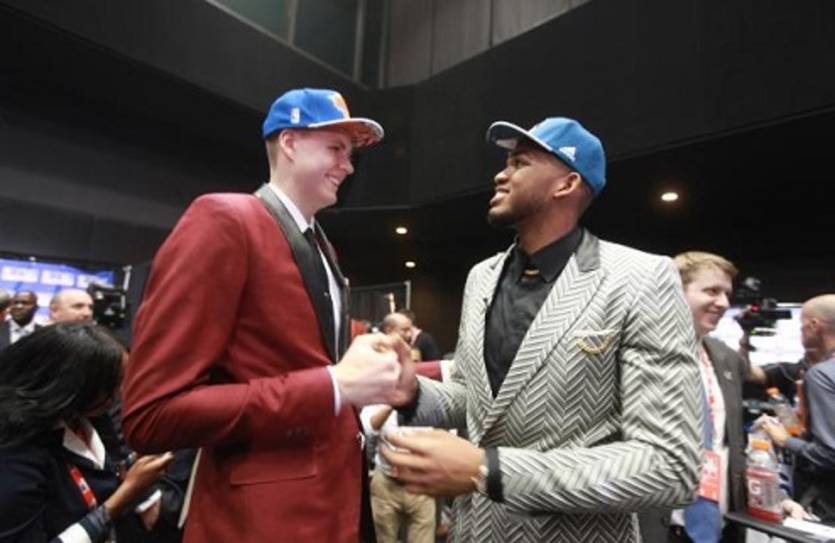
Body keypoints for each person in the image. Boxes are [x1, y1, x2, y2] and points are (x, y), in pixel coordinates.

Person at [382, 117, 702, 542]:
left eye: (520, 163)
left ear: (566, 184)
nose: (501, 174)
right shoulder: (482, 277)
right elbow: (478, 401)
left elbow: (669, 465)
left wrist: (488, 470)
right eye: (506, 163)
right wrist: (413, 392)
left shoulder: (640, 278)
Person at [122, 88, 412, 543]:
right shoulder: (225, 220)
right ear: (290, 143)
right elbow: (152, 414)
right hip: (262, 520)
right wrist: (332, 386)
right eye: (336, 148)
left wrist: (447, 372)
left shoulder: (321, 246)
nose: (348, 166)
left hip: (335, 507)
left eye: (350, 153)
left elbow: (310, 362)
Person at [0, 323, 173, 543]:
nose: (120, 394)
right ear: (73, 386)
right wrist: (122, 498)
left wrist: (130, 469)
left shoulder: (88, 418)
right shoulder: (13, 453)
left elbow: (99, 475)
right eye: (112, 385)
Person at [640, 252, 749, 543]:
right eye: (711, 291)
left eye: (727, 294)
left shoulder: (725, 358)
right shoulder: (636, 350)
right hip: (655, 526)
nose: (723, 303)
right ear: (674, 291)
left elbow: (731, 443)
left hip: (720, 524)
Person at [362, 312, 436, 543]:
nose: (410, 333)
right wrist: (392, 404)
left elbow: (445, 432)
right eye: (405, 328)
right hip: (386, 484)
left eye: (417, 362)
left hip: (422, 485)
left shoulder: (430, 389)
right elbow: (367, 428)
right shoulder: (378, 382)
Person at [761, 294, 835, 523]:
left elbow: (830, 454)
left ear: (814, 326)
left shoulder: (822, 375)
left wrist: (785, 440)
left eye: (801, 326)